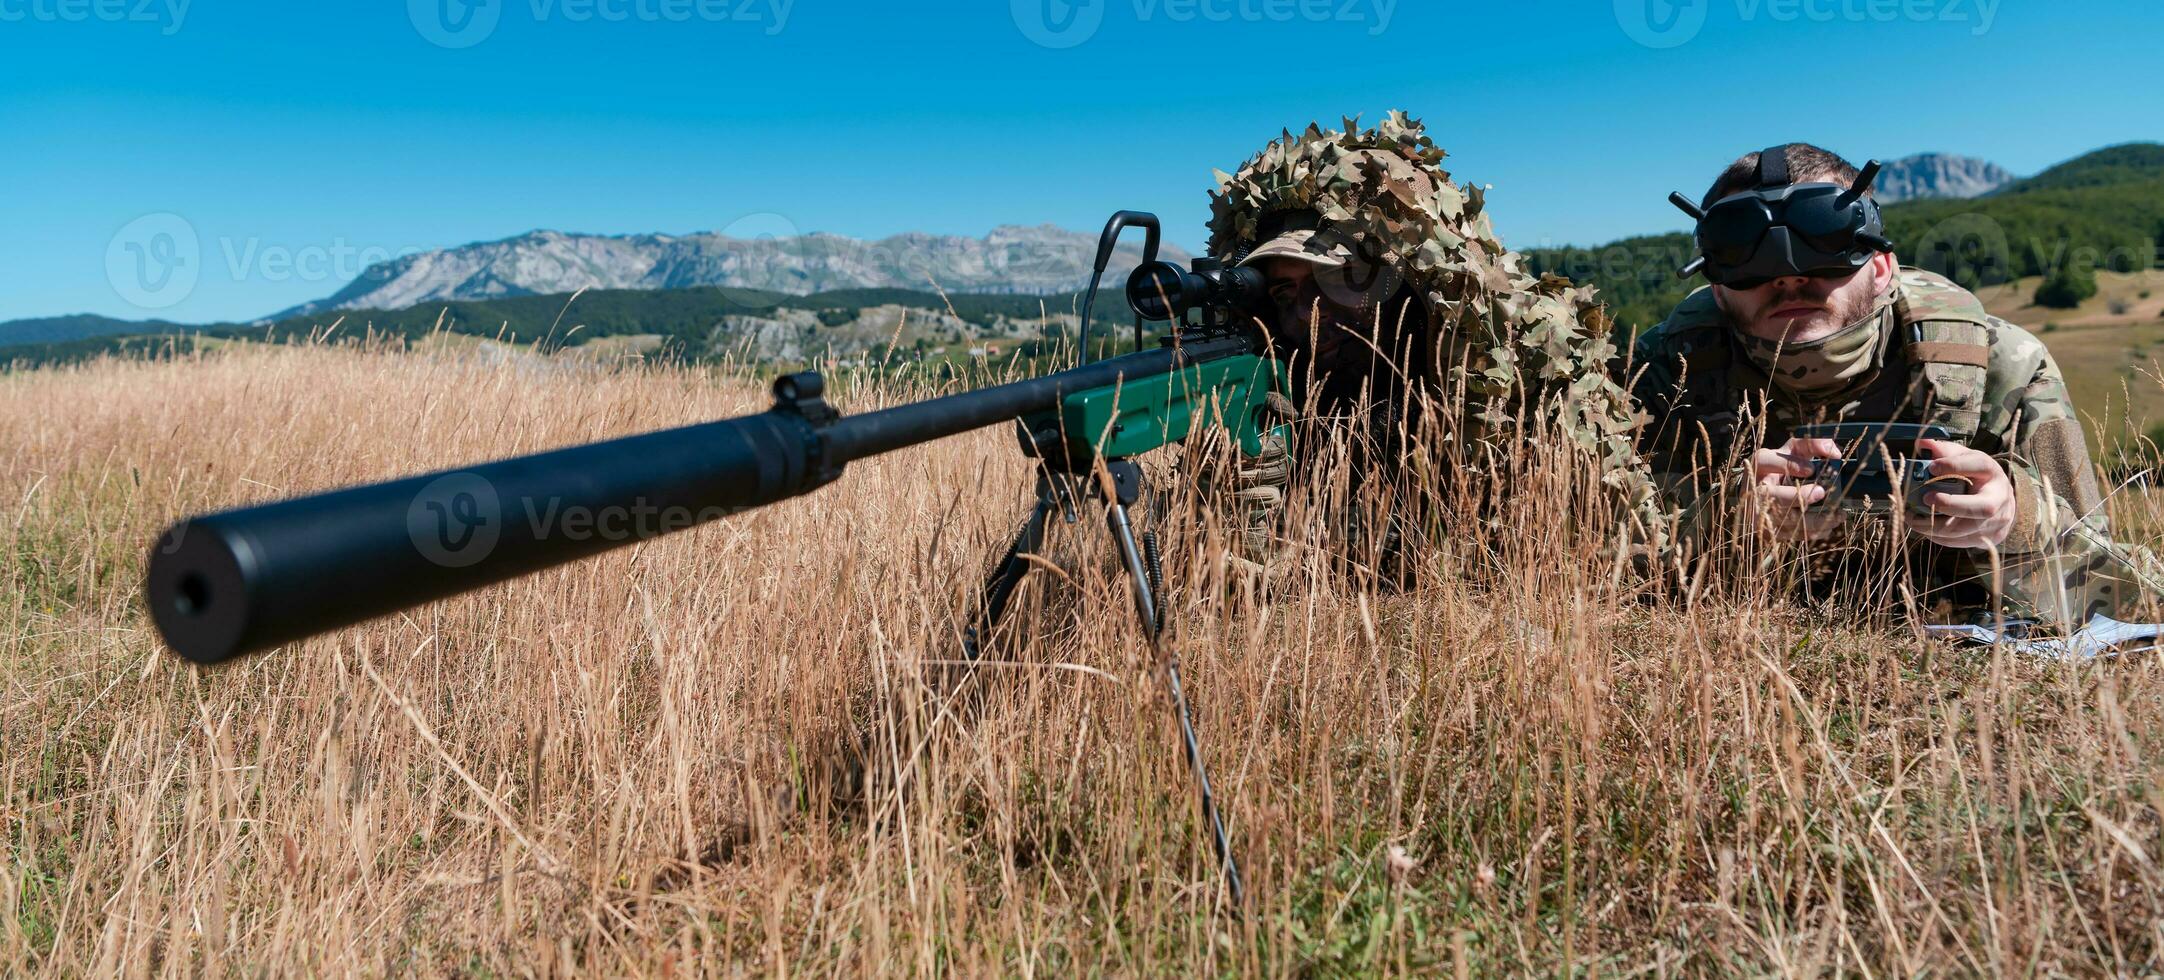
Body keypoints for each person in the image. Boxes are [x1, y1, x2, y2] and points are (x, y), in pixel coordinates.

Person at [1629, 142, 2162, 629]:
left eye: (1827, 242)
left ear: (1883, 267)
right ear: (1718, 290)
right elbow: (1581, 567)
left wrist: (2015, 522)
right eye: (1747, 256)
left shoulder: (2003, 366)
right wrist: (1726, 522)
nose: (1788, 277)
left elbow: (2114, 600)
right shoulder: (1659, 373)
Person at [1185, 113, 1664, 580]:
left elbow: (1620, 544)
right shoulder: (1287, 382)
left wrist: (1332, 546)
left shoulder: (1519, 362)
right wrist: (1232, 492)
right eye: (1284, 293)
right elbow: (1199, 557)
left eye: (1334, 278)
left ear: (1399, 282)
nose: (1308, 311)